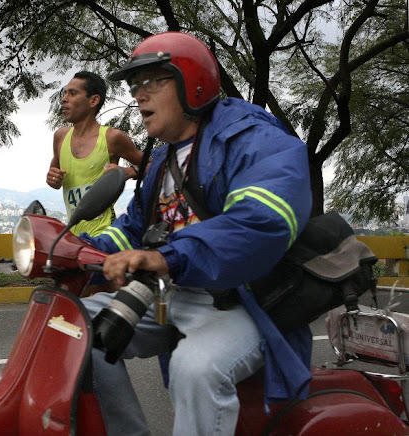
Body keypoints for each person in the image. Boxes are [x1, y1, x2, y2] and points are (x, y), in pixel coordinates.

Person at [80, 32, 313, 435]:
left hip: (242, 303)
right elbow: (136, 230)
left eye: (152, 81)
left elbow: (259, 221)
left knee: (196, 368)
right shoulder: (161, 161)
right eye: (135, 86)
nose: (139, 96)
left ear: (192, 81)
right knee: (75, 329)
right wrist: (79, 253)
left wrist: (170, 256)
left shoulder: (255, 140)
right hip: (173, 293)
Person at [47, 71, 143, 236]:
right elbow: (54, 179)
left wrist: (130, 172)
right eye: (64, 93)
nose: (63, 99)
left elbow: (153, 166)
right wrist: (53, 179)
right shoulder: (60, 137)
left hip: (104, 235)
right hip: (74, 235)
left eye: (73, 93)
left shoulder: (112, 138)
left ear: (93, 100)